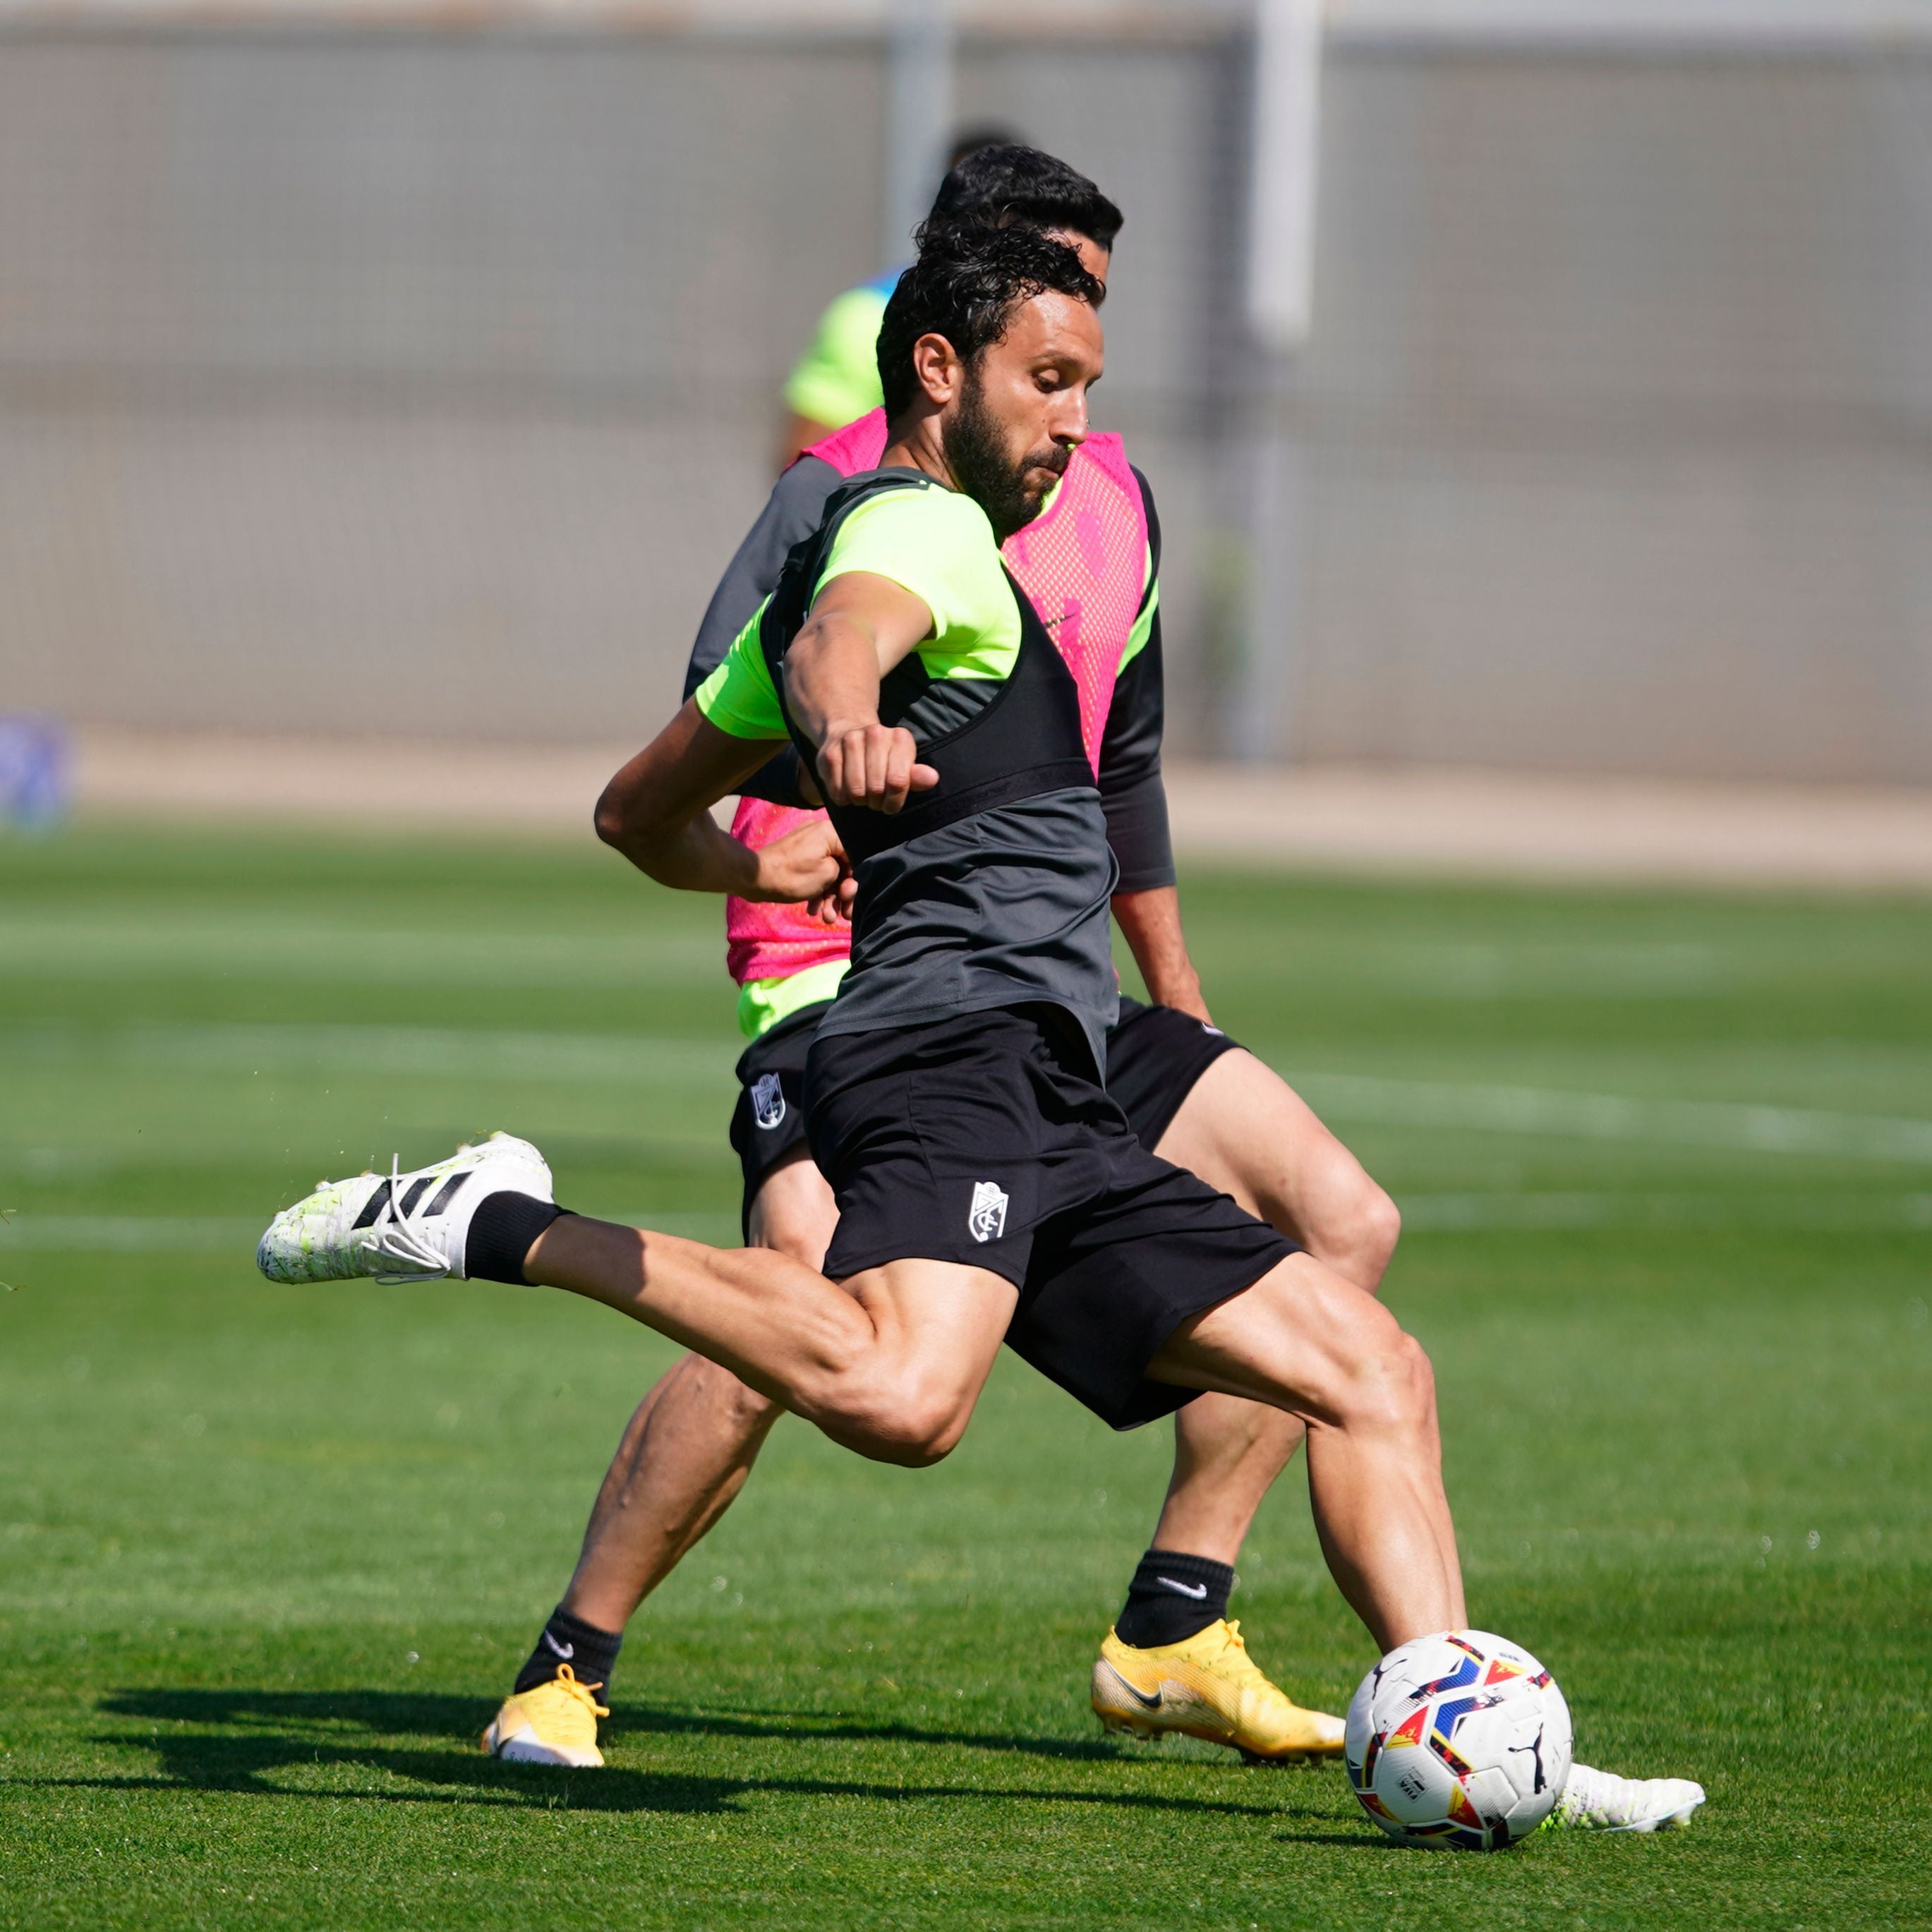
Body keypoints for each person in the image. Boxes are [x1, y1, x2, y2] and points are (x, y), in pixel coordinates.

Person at [259, 220, 1703, 1836]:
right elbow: (831, 641)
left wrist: (757, 838)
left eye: (1089, 377)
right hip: (928, 1043)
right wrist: (841, 734)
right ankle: (500, 1228)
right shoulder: (909, 529)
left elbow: (630, 812)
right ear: (940, 370)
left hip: (1061, 1062)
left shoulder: (1049, 525)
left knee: (1372, 1366)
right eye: (1053, 378)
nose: (1078, 417)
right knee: (896, 1400)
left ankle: (1474, 1727)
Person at [475, 150, 1400, 1775]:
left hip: (1053, 989)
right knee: (810, 1308)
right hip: (844, 979)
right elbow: (737, 709)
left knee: (1341, 1218)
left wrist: (1175, 995)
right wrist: (815, 803)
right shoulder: (847, 494)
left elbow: (1122, 764)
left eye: (1096, 311)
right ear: (957, 314)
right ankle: (570, 1661)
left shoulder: (1111, 494)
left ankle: (1177, 1613)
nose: (1079, 354)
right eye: (1052, 307)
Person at [778, 126, 1023, 469]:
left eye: (1006, 205)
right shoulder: (867, 316)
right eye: (964, 199)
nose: (983, 220)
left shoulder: (1059, 320)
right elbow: (807, 469)